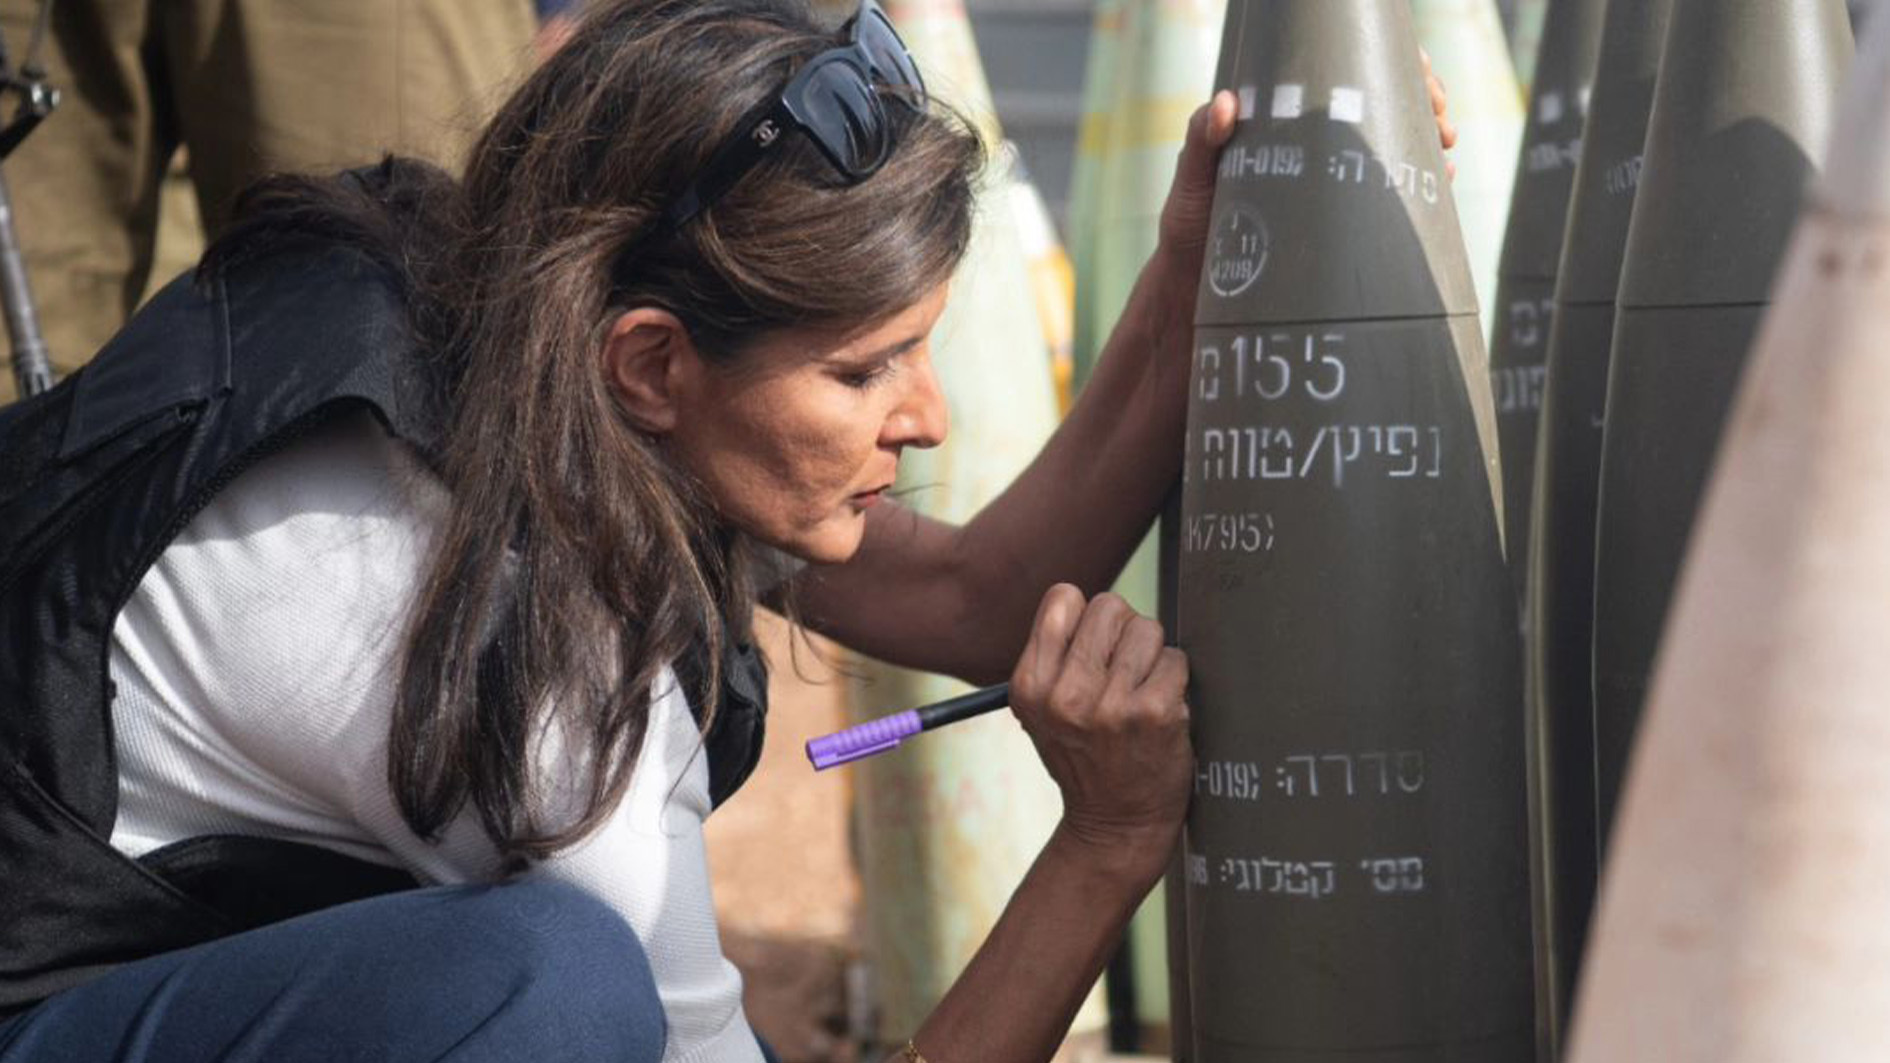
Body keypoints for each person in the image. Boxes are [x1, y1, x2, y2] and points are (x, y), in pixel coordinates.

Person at [0, 1, 1453, 1060]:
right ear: (651, 365)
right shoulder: (515, 667)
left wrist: (1187, 279)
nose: (931, 418)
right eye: (863, 369)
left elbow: (969, 599)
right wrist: (1106, 843)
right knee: (543, 994)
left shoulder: (503, 338)